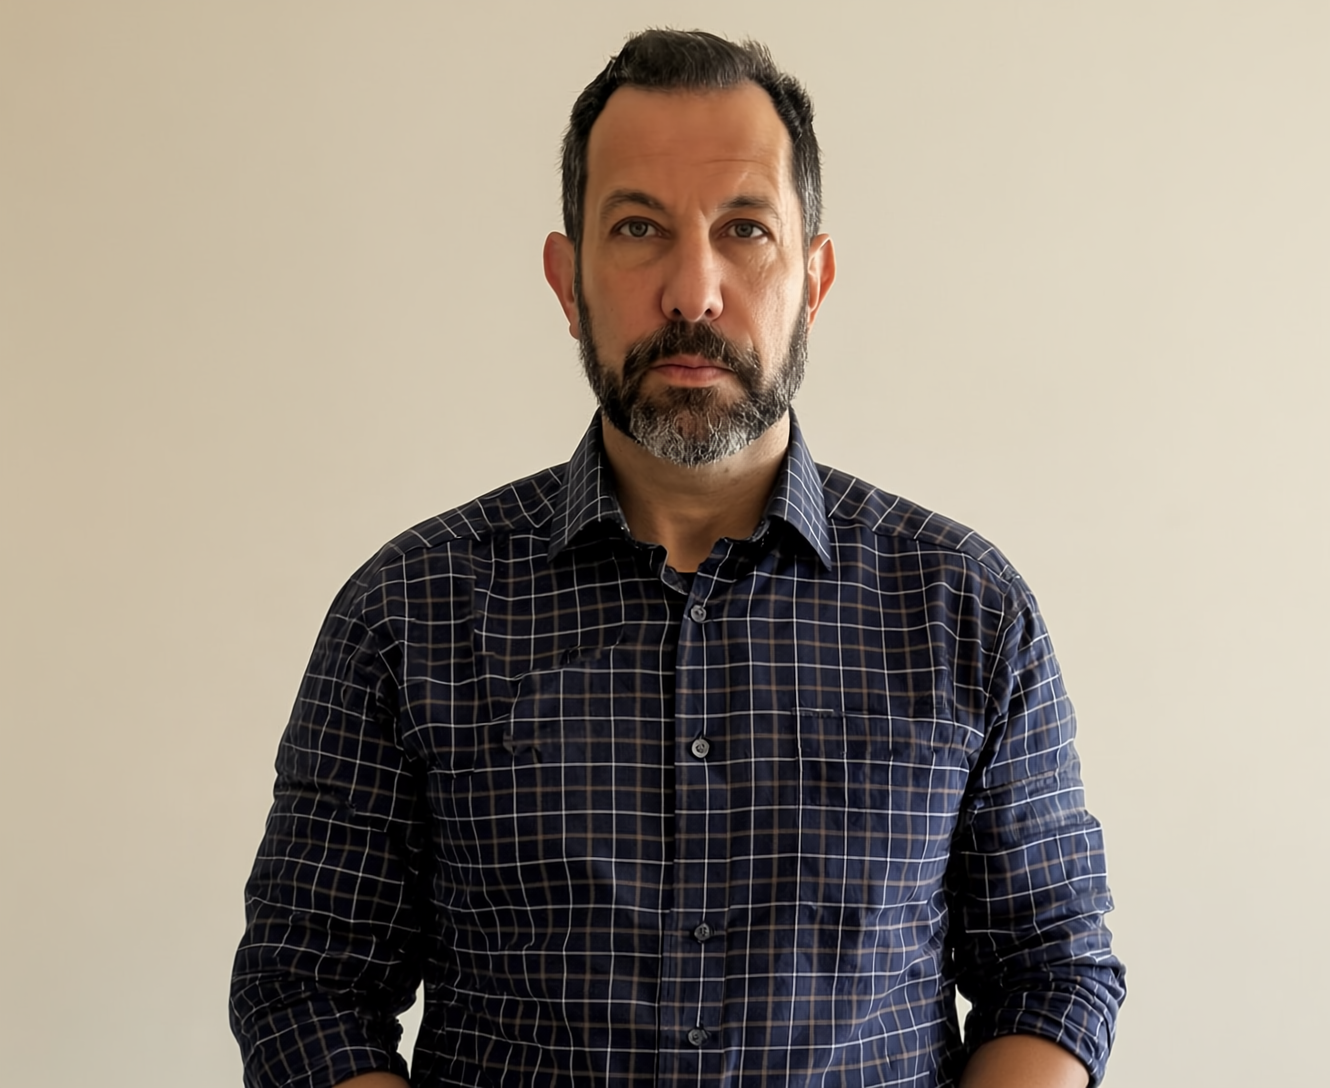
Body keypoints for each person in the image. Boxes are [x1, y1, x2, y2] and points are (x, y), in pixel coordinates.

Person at [229, 29, 1124, 1088]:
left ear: (814, 279)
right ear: (568, 281)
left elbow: (1051, 972)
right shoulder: (409, 611)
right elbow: (308, 990)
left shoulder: (963, 606)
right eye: (639, 228)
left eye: (745, 229)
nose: (694, 291)